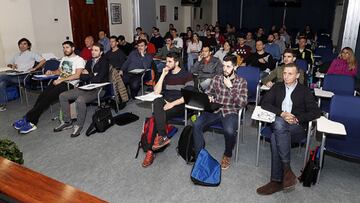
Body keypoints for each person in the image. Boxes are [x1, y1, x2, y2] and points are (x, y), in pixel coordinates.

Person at [256, 63, 321, 195]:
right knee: (279, 126)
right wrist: (282, 113)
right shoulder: (277, 86)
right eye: (284, 73)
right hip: (280, 124)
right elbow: (264, 103)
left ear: (297, 75)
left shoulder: (304, 90)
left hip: (296, 128)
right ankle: (285, 172)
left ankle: (277, 180)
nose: (286, 76)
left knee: (276, 134)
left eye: (290, 74)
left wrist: (297, 118)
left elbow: (315, 112)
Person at [13, 41, 85, 134]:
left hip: (69, 84)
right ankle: (28, 118)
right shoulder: (64, 59)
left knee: (46, 99)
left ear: (73, 48)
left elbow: (77, 75)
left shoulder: (79, 60)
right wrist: (52, 72)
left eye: (67, 47)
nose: (65, 49)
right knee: (41, 96)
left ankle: (31, 121)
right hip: (59, 82)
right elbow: (60, 71)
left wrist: (61, 80)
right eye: (63, 47)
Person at [193, 54, 248, 170]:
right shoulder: (217, 78)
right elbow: (208, 91)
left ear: (235, 67)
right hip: (215, 109)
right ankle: (199, 154)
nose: (225, 69)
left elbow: (242, 103)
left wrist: (231, 88)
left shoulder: (241, 82)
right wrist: (209, 97)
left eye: (228, 67)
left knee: (229, 131)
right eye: (224, 66)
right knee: (197, 124)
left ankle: (227, 154)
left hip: (230, 110)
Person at [142, 52, 193, 167]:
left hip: (180, 103)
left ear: (177, 62)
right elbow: (156, 92)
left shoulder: (187, 75)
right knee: (157, 101)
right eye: (166, 62)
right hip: (165, 101)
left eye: (170, 62)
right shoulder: (166, 74)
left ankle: (150, 151)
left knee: (156, 117)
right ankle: (163, 136)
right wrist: (163, 76)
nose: (167, 64)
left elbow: (187, 96)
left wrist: (172, 104)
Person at [55, 43, 109, 137]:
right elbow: (82, 77)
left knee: (80, 100)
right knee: (63, 95)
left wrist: (89, 75)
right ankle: (67, 121)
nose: (93, 52)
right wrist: (93, 75)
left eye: (96, 50)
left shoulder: (105, 62)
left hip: (99, 89)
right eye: (92, 50)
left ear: (101, 52)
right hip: (86, 87)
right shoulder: (89, 61)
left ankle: (78, 125)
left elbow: (99, 79)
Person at [0, 38, 46, 111]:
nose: (22, 45)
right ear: (19, 46)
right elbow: (9, 64)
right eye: (21, 44)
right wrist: (12, 66)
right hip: (14, 75)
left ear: (28, 46)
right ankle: (2, 105)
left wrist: (35, 68)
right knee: (2, 83)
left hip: (24, 76)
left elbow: (43, 60)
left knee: (1, 76)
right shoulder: (17, 55)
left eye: (25, 44)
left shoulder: (31, 54)